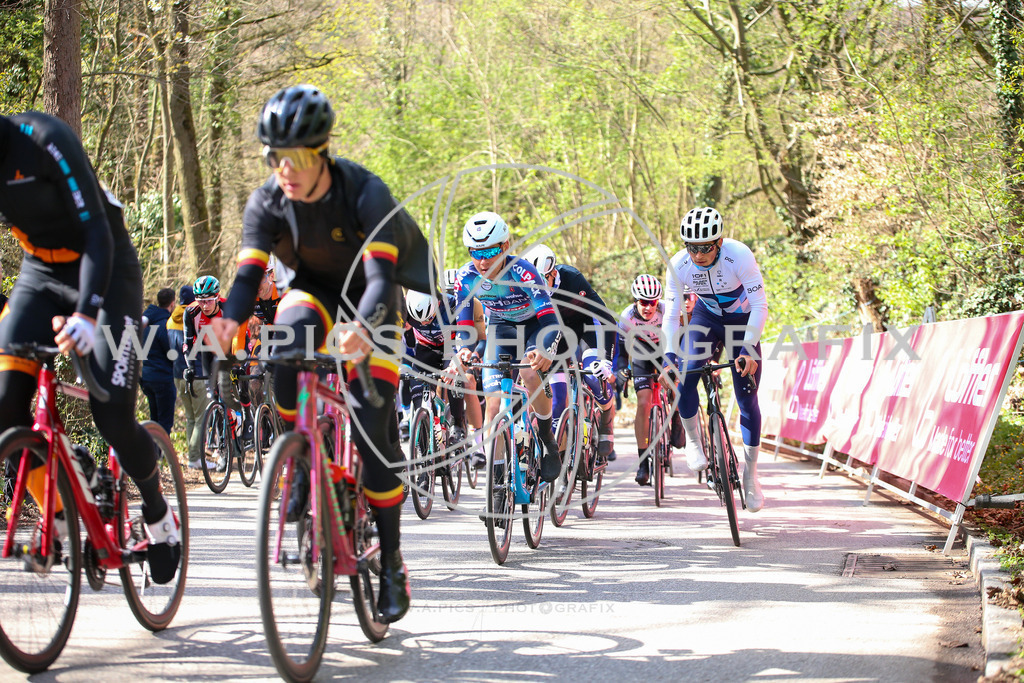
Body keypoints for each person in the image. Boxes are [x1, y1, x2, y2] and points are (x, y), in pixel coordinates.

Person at [209, 84, 435, 624]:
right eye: (274, 157)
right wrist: (229, 322)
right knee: (283, 346)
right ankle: (303, 459)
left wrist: (365, 328)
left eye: (298, 158)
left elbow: (382, 277)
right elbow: (246, 278)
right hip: (314, 289)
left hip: (372, 294)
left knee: (374, 431)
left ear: (323, 152)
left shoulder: (364, 192)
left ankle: (393, 561)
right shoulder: (267, 201)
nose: (284, 169)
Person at [0, 111, 180, 583]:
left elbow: (98, 230)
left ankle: (160, 515)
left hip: (107, 265)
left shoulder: (44, 140)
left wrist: (87, 313)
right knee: (4, 406)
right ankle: (60, 511)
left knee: (112, 414)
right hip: (40, 272)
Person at [662, 206, 767, 512]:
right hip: (705, 319)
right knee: (684, 374)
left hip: (741, 322)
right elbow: (671, 313)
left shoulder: (740, 255)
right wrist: (669, 354)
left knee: (747, 396)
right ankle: (694, 440)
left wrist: (748, 347)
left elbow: (760, 305)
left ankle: (751, 474)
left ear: (719, 242)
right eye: (692, 248)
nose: (699, 255)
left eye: (705, 247)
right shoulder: (679, 265)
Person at [450, 212, 562, 492]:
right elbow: (465, 326)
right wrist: (464, 351)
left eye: (489, 251)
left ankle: (547, 438)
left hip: (536, 325)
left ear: (506, 245)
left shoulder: (524, 271)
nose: (483, 260)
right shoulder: (466, 277)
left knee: (528, 370)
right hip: (501, 327)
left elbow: (549, 319)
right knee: (494, 406)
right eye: (476, 252)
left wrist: (545, 349)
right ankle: (497, 477)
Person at [523, 244, 619, 462]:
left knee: (594, 378)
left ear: (553, 273)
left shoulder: (572, 279)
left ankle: (606, 415)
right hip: (556, 337)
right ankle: (563, 463)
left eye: (542, 281)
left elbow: (607, 319)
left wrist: (607, 361)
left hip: (585, 330)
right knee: (557, 403)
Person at [616, 274, 681, 485]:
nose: (648, 307)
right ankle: (643, 461)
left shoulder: (667, 310)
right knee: (643, 403)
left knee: (674, 385)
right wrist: (621, 370)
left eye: (652, 302)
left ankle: (677, 415)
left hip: (666, 349)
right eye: (644, 302)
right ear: (636, 301)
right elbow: (622, 351)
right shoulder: (627, 317)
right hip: (641, 352)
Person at [183, 275, 251, 465]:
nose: (204, 305)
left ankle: (246, 417)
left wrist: (238, 365)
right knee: (213, 397)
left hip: (231, 348)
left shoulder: (228, 308)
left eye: (208, 300)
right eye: (200, 300)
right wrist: (189, 368)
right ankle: (223, 447)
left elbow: (240, 338)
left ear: (217, 296)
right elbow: (188, 344)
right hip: (208, 351)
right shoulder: (190, 312)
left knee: (237, 383)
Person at [168, 285, 202, 467]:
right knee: (201, 417)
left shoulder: (170, 320)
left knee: (190, 418)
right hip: (196, 373)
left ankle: (192, 456)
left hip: (177, 375)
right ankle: (195, 458)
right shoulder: (196, 317)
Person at [140, 287, 177, 435]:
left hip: (147, 377)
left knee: (154, 420)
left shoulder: (145, 324)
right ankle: (159, 454)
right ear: (172, 304)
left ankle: (152, 454)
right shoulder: (165, 325)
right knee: (164, 423)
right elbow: (171, 353)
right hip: (163, 379)